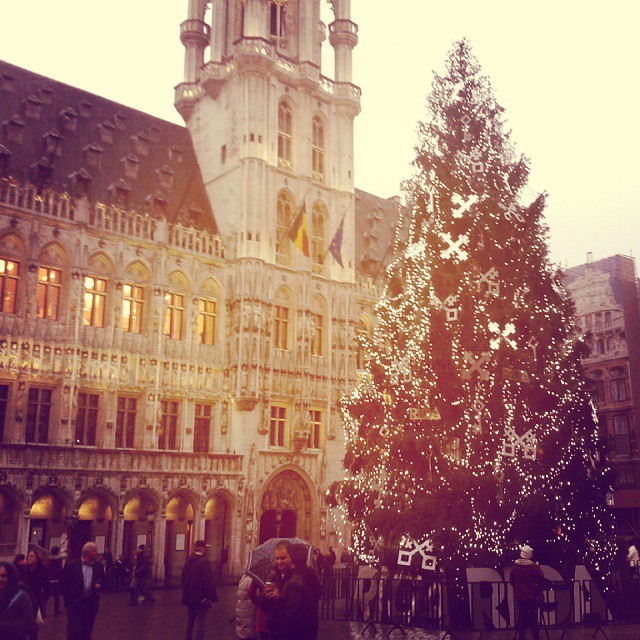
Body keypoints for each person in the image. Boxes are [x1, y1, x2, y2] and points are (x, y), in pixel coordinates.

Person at [262, 541, 321, 640]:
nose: (279, 562)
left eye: (283, 558)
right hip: (276, 629)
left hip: (288, 633)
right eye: (277, 558)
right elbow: (264, 606)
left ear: (290, 558)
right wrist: (265, 596)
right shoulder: (273, 575)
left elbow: (293, 613)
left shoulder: (296, 578)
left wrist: (279, 598)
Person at [60, 542, 105, 640]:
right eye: (95, 551)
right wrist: (68, 599)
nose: (97, 553)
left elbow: (104, 580)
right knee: (74, 631)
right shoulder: (71, 566)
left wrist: (100, 585)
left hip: (90, 604)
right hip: (75, 604)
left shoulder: (98, 566)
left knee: (87, 631)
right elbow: (63, 584)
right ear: (88, 553)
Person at [181, 540, 218, 640]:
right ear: (201, 548)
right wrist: (210, 596)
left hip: (190, 597)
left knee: (190, 620)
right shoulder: (204, 561)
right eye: (205, 547)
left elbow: (183, 579)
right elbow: (208, 581)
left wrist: (187, 591)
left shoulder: (188, 560)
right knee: (201, 621)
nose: (206, 549)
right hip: (201, 598)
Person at [510, 544, 545, 640]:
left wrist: (519, 588)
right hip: (532, 597)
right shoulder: (533, 567)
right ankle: (536, 637)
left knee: (521, 619)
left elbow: (511, 581)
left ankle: (521, 638)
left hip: (520, 597)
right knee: (534, 619)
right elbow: (541, 577)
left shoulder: (515, 568)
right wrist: (538, 566)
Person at [0, 561, 35, 640]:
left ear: (11, 577)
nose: (0, 579)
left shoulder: (22, 597)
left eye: (3, 576)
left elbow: (26, 625)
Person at [20, 550, 48, 639]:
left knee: (33, 630)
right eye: (28, 556)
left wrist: (43, 599)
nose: (29, 557)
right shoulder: (24, 571)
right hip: (24, 602)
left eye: (32, 556)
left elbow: (47, 587)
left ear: (36, 558)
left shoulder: (42, 572)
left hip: (36, 603)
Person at [235, 574, 257, 639]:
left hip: (242, 611)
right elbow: (253, 594)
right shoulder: (253, 580)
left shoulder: (244, 577)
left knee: (243, 633)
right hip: (249, 613)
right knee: (249, 634)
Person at [45, 546, 63, 616]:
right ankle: (56, 610)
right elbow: (60, 570)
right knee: (56, 597)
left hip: (48, 579)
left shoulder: (48, 560)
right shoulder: (59, 560)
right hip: (56, 580)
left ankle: (44, 611)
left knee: (46, 596)